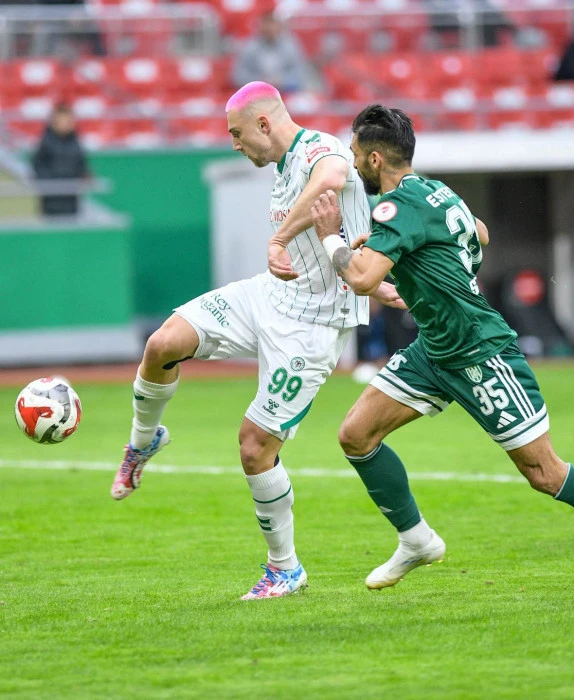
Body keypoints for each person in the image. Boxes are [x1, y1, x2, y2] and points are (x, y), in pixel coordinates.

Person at [310, 104, 574, 599]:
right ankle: (416, 539)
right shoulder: (435, 191)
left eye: (356, 152)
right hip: (435, 349)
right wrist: (407, 257)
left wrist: (330, 236)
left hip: (479, 352)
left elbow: (360, 278)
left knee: (544, 472)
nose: (353, 160)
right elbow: (479, 233)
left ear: (375, 159)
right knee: (357, 435)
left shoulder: (398, 206)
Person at [109, 82, 405, 600]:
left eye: (237, 133)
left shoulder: (321, 148)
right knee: (162, 344)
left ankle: (284, 569)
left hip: (313, 327)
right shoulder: (282, 167)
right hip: (268, 297)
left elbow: (333, 177)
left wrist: (279, 238)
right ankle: (143, 440)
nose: (235, 144)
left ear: (264, 124)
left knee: (254, 447)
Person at [31, 104, 88, 217]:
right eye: (62, 121)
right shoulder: (46, 142)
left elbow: (80, 163)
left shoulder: (75, 142)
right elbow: (38, 164)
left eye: (68, 121)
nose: (65, 124)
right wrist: (50, 183)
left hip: (71, 195)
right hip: (51, 197)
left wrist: (84, 174)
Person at [233, 12, 310, 94]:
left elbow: (300, 74)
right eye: (267, 25)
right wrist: (261, 82)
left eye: (273, 25)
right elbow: (238, 76)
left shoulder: (290, 47)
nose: (270, 28)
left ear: (280, 27)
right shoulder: (249, 47)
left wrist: (281, 81)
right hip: (256, 94)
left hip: (286, 93)